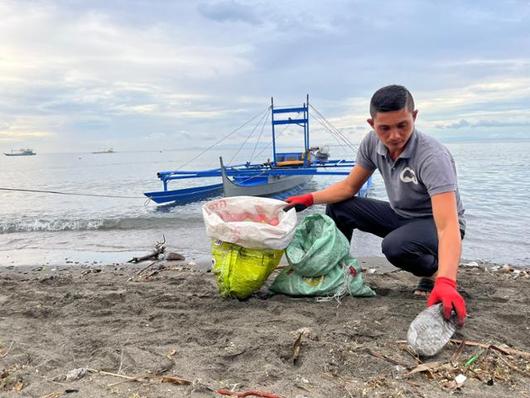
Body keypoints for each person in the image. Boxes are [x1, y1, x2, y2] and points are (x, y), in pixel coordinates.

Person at [285, 85, 467, 326]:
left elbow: (448, 225)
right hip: (401, 216)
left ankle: (433, 272)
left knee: (395, 247)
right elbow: (349, 187)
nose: (394, 136)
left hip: (434, 223)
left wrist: (447, 282)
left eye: (402, 125)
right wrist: (309, 198)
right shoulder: (371, 143)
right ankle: (336, 270)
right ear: (372, 124)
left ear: (414, 117)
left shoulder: (432, 157)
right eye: (385, 128)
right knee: (341, 207)